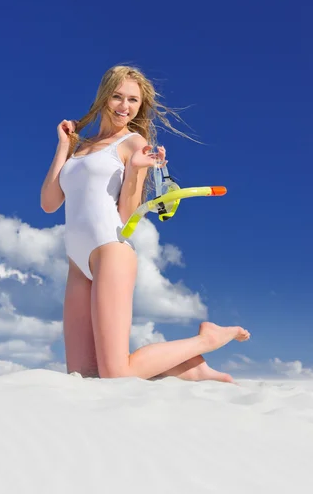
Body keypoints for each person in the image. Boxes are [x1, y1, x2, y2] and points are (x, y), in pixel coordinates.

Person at [41, 65, 250, 381]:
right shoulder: (80, 148)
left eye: (133, 101)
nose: (124, 106)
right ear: (104, 97)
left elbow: (126, 215)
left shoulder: (133, 143)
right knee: (83, 376)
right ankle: (188, 368)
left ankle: (207, 338)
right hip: (76, 261)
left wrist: (137, 170)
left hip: (110, 250)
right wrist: (64, 146)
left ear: (140, 107)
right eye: (117, 97)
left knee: (116, 374)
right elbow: (49, 203)